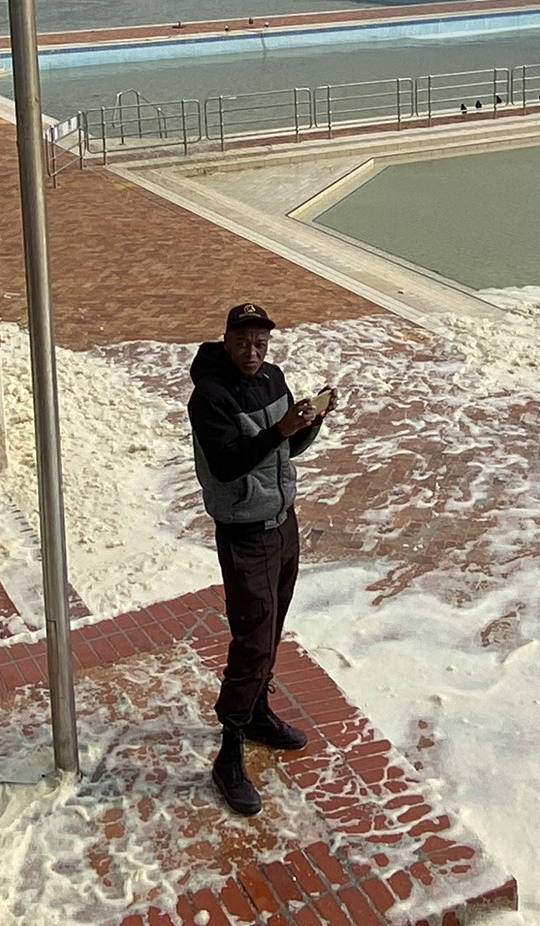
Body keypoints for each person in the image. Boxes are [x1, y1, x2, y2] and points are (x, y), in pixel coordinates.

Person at [187, 303, 335, 817]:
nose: (253, 353)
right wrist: (279, 430)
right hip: (245, 533)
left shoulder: (273, 378)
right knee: (252, 637)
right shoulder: (210, 396)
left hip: (282, 523)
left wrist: (312, 420)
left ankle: (257, 713)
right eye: (244, 343)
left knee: (271, 629)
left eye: (261, 343)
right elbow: (228, 465)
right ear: (227, 340)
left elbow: (286, 448)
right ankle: (229, 749)